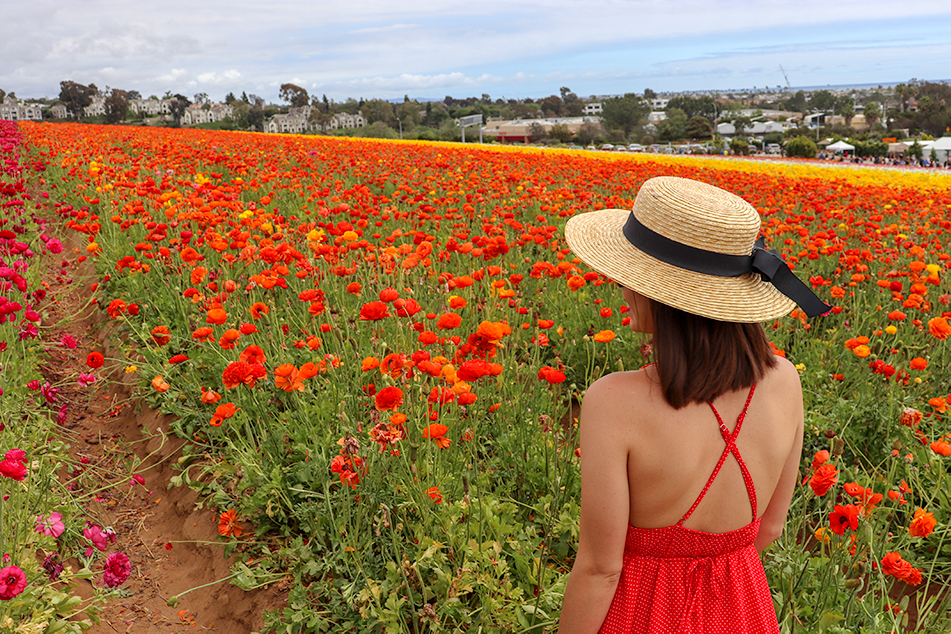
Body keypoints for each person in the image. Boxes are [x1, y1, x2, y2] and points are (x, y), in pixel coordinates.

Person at [559, 176, 829, 633]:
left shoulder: (614, 401)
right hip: (742, 608)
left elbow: (600, 571)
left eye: (629, 277)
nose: (621, 290)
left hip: (641, 615)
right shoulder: (786, 382)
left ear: (660, 294)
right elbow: (770, 530)